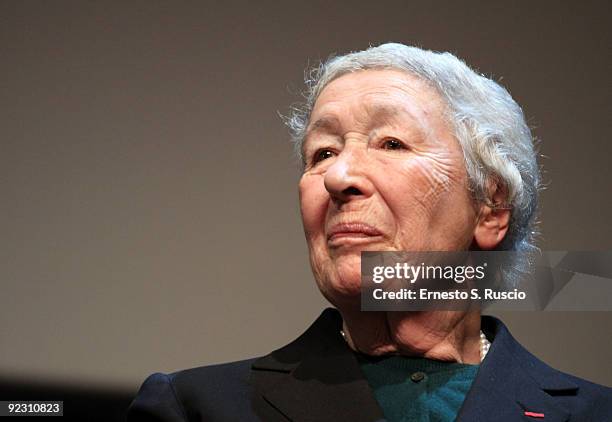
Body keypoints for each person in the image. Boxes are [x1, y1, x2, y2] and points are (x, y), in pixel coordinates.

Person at [126, 43, 611, 421]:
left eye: (392, 143)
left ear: (489, 210)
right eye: (323, 153)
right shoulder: (195, 409)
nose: (338, 178)